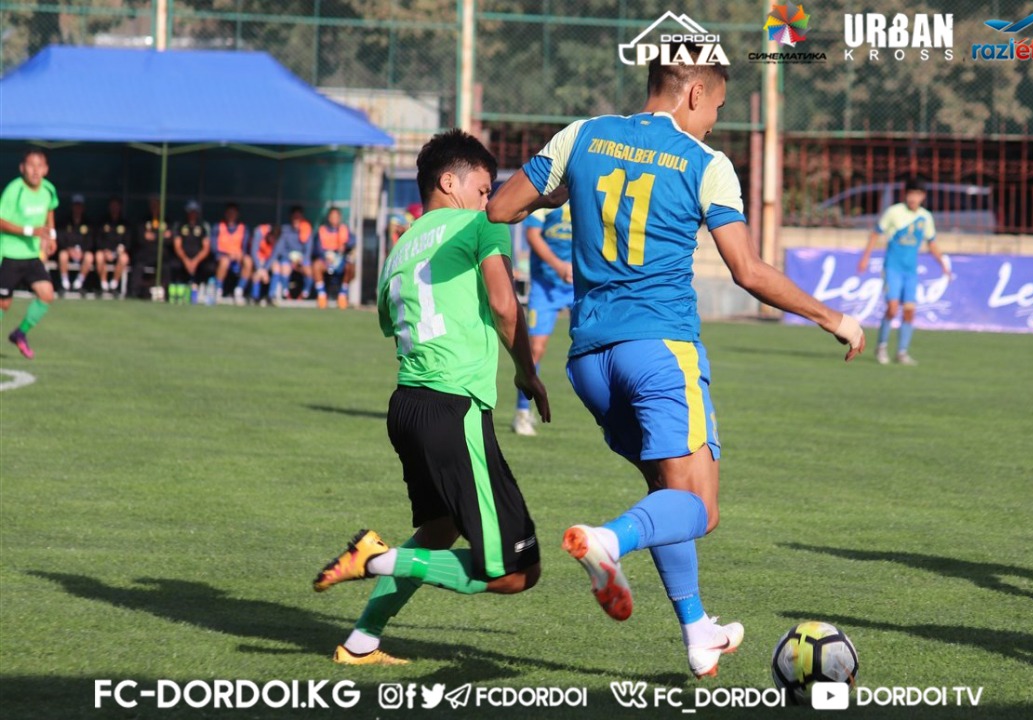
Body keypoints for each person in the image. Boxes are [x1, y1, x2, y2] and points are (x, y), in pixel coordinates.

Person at [487, 43, 865, 678]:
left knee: (666, 496)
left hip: (590, 360)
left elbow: (500, 208)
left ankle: (697, 631)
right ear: (694, 93)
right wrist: (834, 318)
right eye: (717, 106)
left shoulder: (583, 135)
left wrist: (560, 196)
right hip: (660, 352)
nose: (714, 121)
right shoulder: (705, 163)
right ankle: (607, 541)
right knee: (700, 509)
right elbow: (748, 271)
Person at [311, 129, 557, 666]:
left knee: (441, 529)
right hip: (453, 407)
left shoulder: (398, 249)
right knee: (517, 571)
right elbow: (505, 306)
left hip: (408, 408)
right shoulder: (481, 225)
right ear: (450, 182)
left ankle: (361, 643)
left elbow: (390, 322)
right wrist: (527, 373)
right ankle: (377, 559)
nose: (489, 201)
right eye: (484, 189)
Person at [857, 176, 950, 366]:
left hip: (911, 271)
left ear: (923, 196)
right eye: (910, 193)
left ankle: (902, 352)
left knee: (909, 312)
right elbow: (875, 233)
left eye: (917, 194)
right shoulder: (894, 212)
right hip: (892, 268)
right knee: (892, 308)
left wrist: (942, 263)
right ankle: (881, 346)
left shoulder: (925, 217)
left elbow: (931, 242)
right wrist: (865, 258)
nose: (913, 198)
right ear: (905, 194)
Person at [511, 202, 574, 436]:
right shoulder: (548, 197)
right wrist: (559, 266)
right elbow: (532, 235)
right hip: (545, 285)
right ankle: (522, 411)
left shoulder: (586, 192)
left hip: (578, 285)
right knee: (535, 349)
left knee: (593, 347)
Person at [0, 148, 58, 358]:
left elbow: (50, 209)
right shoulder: (14, 190)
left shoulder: (48, 189)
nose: (35, 170)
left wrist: (51, 236)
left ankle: (20, 333)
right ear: (22, 168)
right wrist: (29, 231)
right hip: (9, 255)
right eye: (31, 165)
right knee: (3, 303)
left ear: (46, 169)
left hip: (32, 256)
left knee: (47, 294)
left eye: (39, 166)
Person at [170, 200, 213, 304]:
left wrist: (195, 261)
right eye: (190, 211)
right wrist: (186, 260)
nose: (192, 214)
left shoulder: (203, 226)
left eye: (194, 212)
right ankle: (177, 292)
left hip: (198, 259)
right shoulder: (180, 225)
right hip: (183, 258)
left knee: (209, 267)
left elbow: (206, 248)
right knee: (174, 265)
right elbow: (177, 246)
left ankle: (201, 290)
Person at [312, 207, 355, 309]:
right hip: (326, 260)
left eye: (336, 217)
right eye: (332, 216)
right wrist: (325, 256)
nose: (334, 219)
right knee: (316, 265)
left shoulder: (344, 229)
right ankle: (322, 296)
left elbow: (353, 241)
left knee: (350, 267)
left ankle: (342, 296)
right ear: (329, 218)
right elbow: (317, 248)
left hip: (340, 261)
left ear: (340, 218)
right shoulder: (322, 230)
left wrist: (345, 246)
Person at [210, 202, 252, 305]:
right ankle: (218, 291)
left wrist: (239, 254)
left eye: (234, 213)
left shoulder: (243, 227)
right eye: (229, 213)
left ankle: (239, 291)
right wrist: (227, 254)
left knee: (248, 261)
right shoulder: (218, 226)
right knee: (224, 262)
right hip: (222, 256)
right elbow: (214, 247)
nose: (231, 215)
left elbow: (245, 246)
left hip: (238, 257)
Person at [131, 197, 172, 299]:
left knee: (166, 267)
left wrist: (154, 236)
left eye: (157, 205)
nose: (155, 208)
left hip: (161, 255)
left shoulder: (166, 221)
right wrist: (161, 236)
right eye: (153, 205)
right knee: (138, 265)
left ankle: (165, 292)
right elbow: (141, 238)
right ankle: (135, 292)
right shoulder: (144, 221)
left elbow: (169, 239)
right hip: (146, 254)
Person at [270, 206, 314, 302]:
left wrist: (301, 261)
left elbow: (308, 250)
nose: (296, 220)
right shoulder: (285, 230)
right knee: (284, 268)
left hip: (301, 260)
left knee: (308, 270)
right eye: (295, 217)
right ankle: (285, 293)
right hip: (288, 259)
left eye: (298, 217)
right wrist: (290, 259)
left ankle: (305, 294)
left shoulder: (307, 230)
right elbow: (280, 249)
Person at [55, 193, 95, 295]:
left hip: (82, 252)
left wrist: (82, 251)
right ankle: (65, 284)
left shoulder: (88, 222)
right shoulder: (64, 222)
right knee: (62, 255)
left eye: (79, 206)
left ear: (83, 207)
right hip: (68, 251)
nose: (77, 208)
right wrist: (69, 249)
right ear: (72, 207)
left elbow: (91, 240)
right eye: (75, 206)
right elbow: (60, 238)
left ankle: (78, 284)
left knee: (89, 256)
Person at [95, 197, 132, 298]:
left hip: (118, 252)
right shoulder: (103, 222)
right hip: (105, 251)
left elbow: (128, 242)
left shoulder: (125, 223)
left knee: (124, 258)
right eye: (112, 206)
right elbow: (97, 239)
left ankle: (114, 285)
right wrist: (105, 250)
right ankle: (104, 285)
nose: (114, 208)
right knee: (99, 256)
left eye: (116, 206)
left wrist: (120, 249)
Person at [248, 222, 279, 306]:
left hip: (268, 260)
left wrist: (265, 269)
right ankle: (254, 297)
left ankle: (271, 296)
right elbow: (253, 251)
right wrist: (260, 269)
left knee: (276, 266)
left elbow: (274, 256)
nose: (273, 240)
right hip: (258, 258)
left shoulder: (279, 238)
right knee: (256, 272)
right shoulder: (259, 232)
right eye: (272, 237)